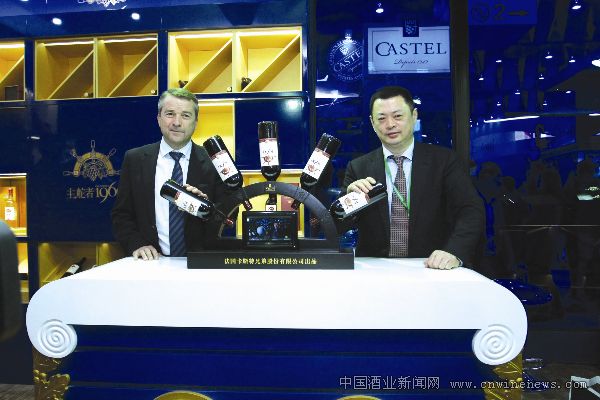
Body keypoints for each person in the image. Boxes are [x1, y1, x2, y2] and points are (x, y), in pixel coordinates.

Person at [342, 86, 484, 269]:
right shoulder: (358, 167)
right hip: (376, 270)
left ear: (414, 115)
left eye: (397, 116)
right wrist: (348, 201)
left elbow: (471, 211)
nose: (390, 124)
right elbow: (336, 226)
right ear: (372, 122)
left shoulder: (444, 161)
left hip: (430, 267)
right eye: (382, 118)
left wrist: (454, 251)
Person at [112, 88, 228, 260]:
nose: (177, 122)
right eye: (170, 114)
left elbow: (229, 217)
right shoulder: (135, 159)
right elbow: (122, 214)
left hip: (200, 263)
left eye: (186, 115)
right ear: (158, 118)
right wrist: (136, 244)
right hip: (151, 263)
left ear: (196, 122)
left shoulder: (216, 162)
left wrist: (208, 209)